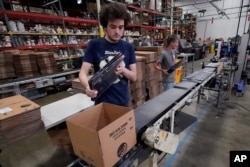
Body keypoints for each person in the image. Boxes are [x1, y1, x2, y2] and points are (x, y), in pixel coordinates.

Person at [79, 3, 137, 107]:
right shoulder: (94, 45)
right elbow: (83, 72)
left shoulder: (128, 47)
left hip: (123, 102)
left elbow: (134, 76)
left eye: (121, 27)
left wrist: (123, 70)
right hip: (102, 103)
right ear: (105, 26)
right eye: (113, 27)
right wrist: (87, 87)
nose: (117, 31)